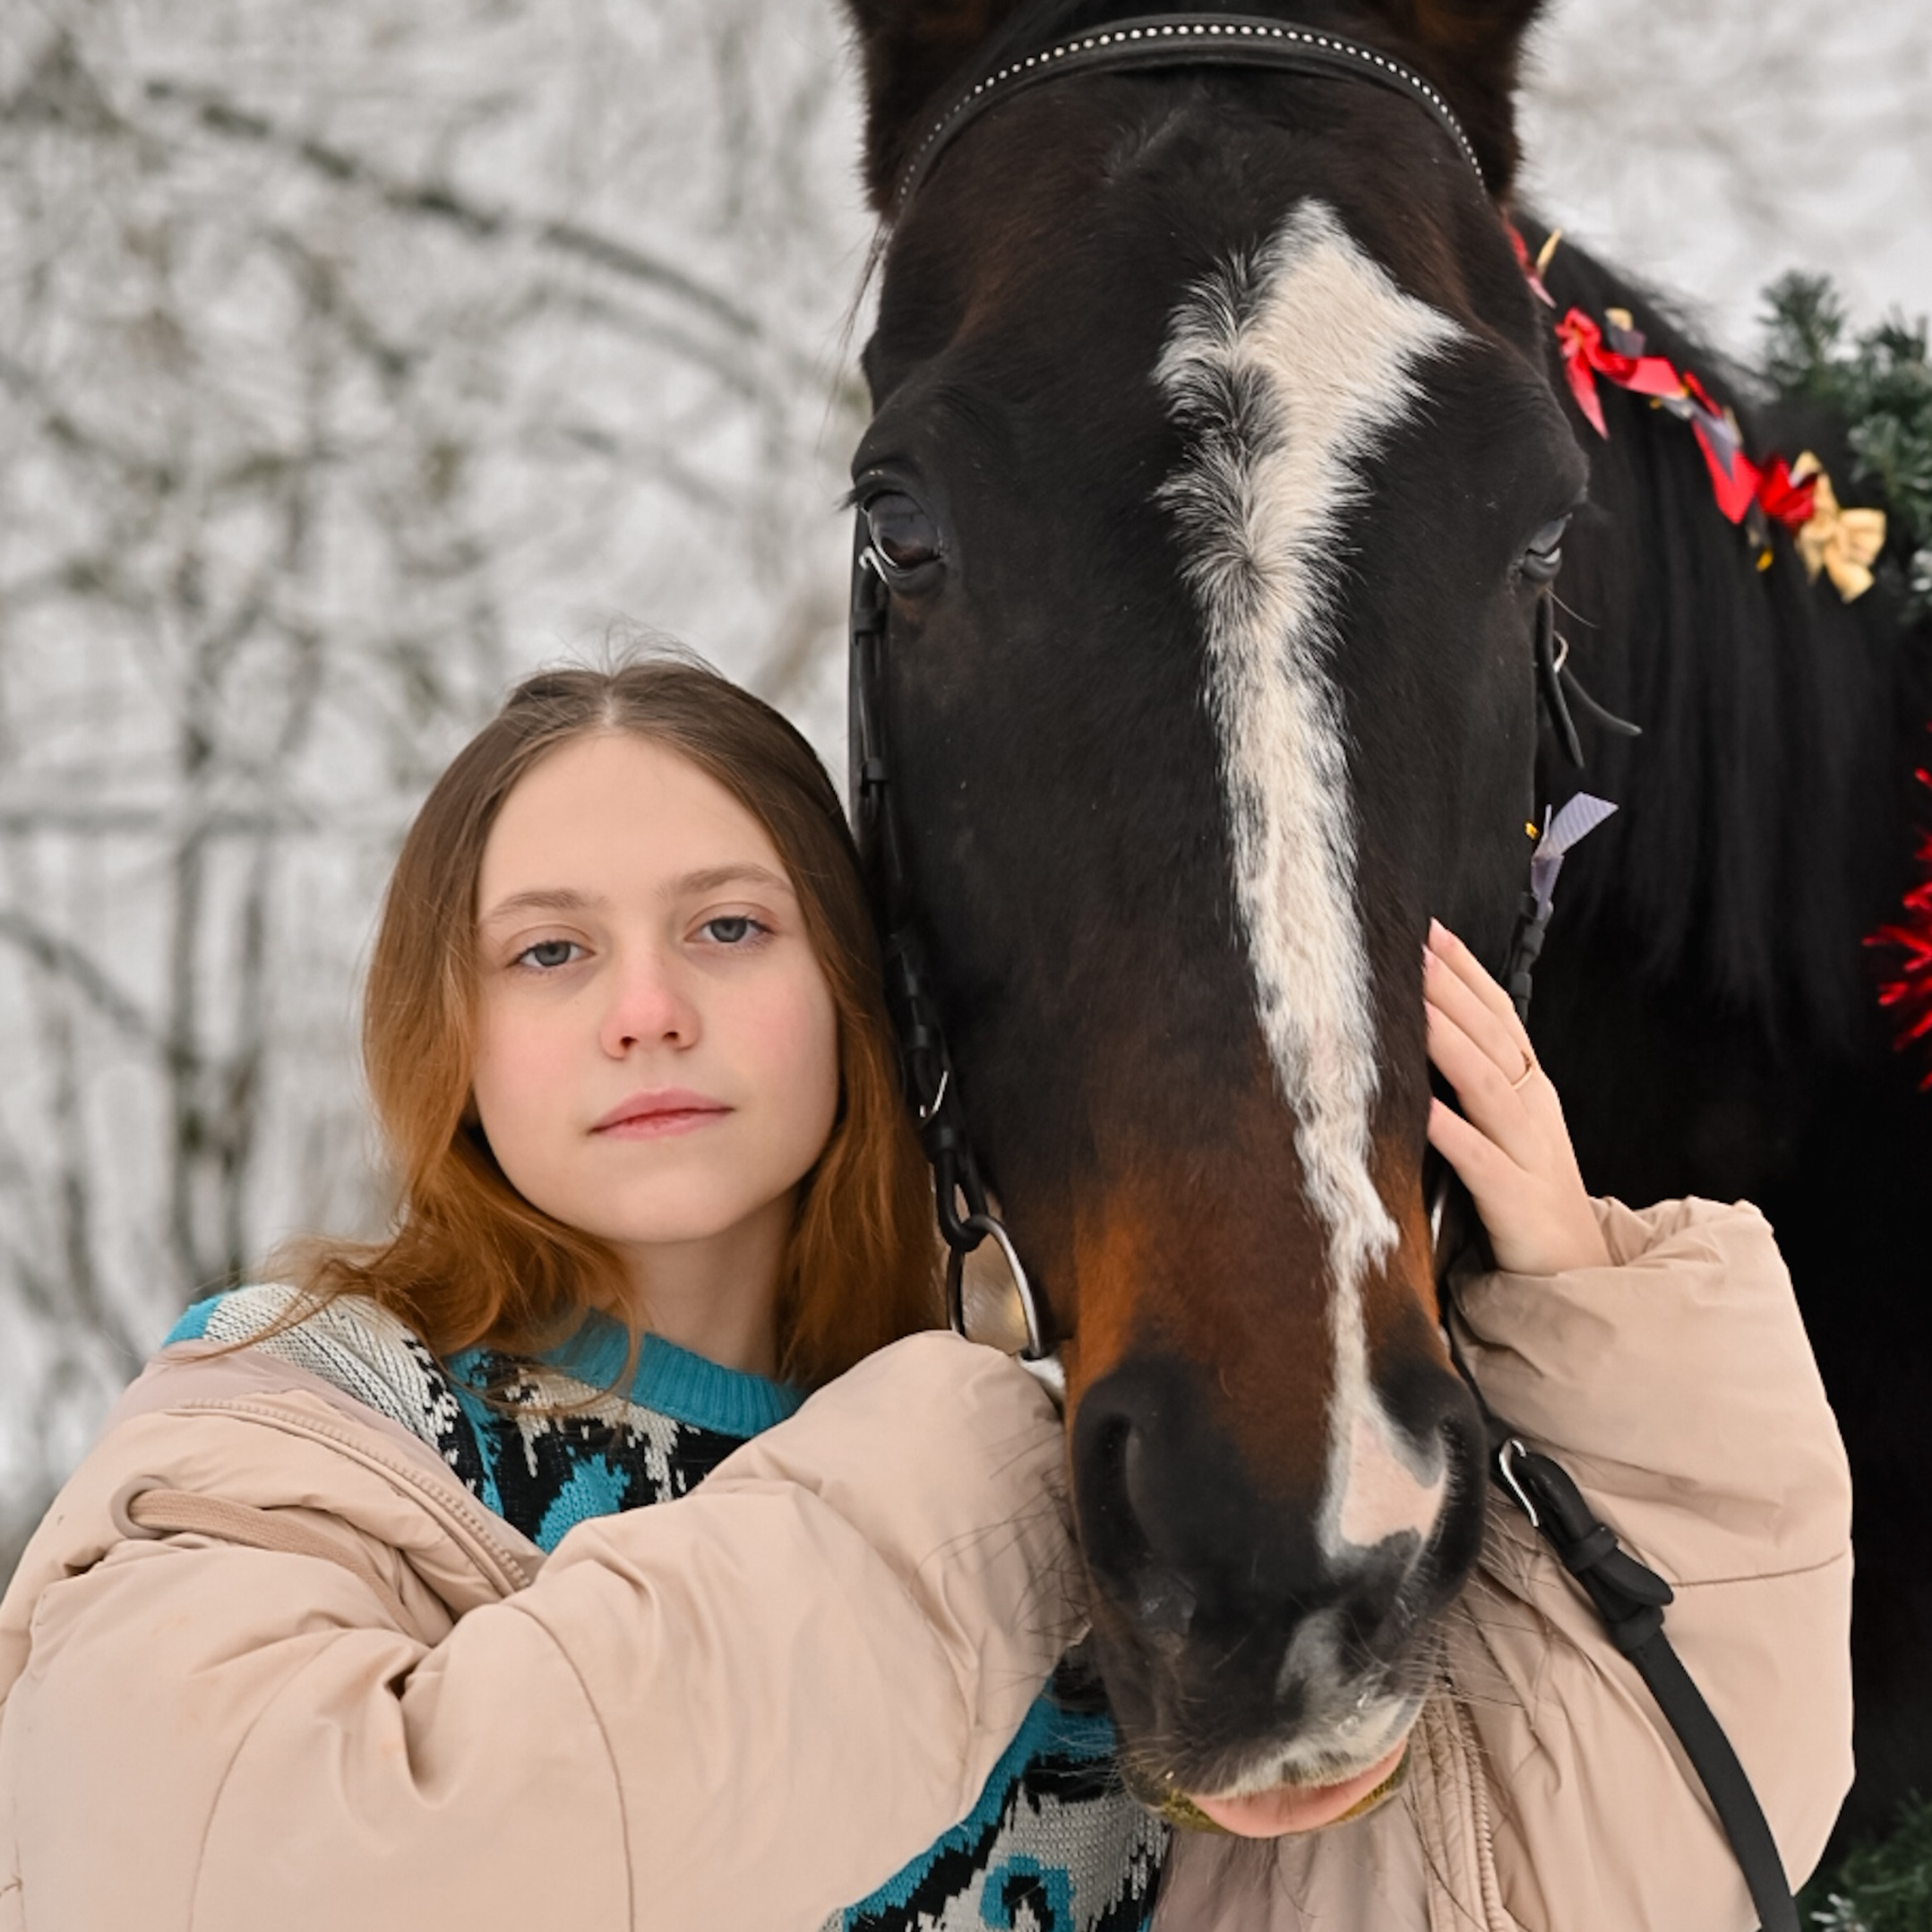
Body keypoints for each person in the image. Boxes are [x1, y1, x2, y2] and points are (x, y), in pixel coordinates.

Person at [0, 657, 1849, 1932]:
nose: (647, 1004)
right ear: (450, 1031)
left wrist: (1616, 1349)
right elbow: (243, 1873)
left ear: (859, 992)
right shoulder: (301, 1426)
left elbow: (1560, 1886)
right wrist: (957, 1469)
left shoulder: (1087, 1504)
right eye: (550, 948)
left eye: (729, 926)